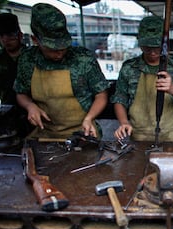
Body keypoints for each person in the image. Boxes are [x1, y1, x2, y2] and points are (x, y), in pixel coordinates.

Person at [14, 3, 109, 139]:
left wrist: (89, 118)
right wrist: (30, 106)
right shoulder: (28, 60)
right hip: (45, 134)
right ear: (35, 40)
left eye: (63, 47)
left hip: (82, 132)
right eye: (52, 49)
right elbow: (20, 93)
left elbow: (101, 95)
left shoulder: (83, 59)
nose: (59, 54)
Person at [111, 16, 173, 142]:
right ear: (139, 42)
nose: (152, 52)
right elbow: (119, 98)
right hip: (138, 136)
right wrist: (124, 122)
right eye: (147, 47)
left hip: (171, 136)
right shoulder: (129, 67)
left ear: (165, 43)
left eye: (157, 47)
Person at [0, 13, 31, 136]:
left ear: (20, 35)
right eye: (1, 35)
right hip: (8, 115)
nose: (6, 40)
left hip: (33, 112)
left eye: (10, 35)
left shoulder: (33, 57)